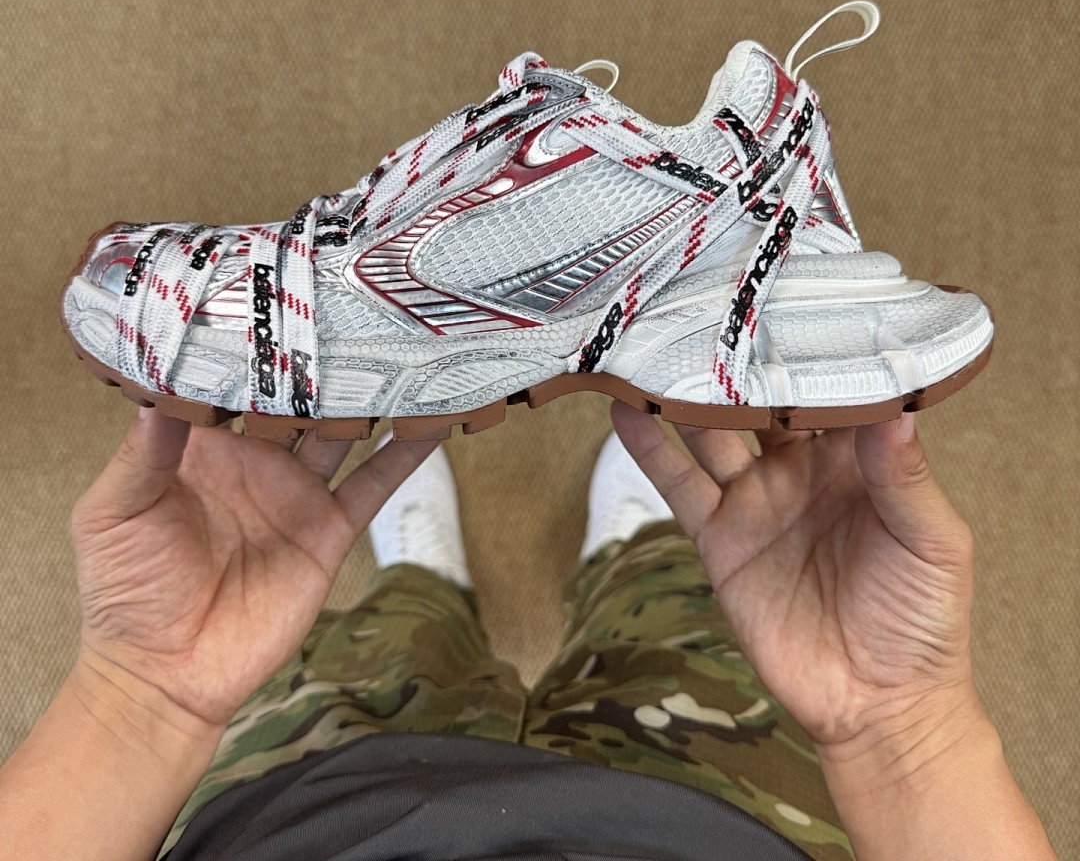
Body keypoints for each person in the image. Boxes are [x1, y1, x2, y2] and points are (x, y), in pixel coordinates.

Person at [0, 404, 1055, 861]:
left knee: (387, 649)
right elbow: (895, 732)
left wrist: (140, 696)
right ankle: (637, 554)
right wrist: (898, 728)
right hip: (724, 826)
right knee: (683, 634)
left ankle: (424, 584)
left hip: (309, 810)